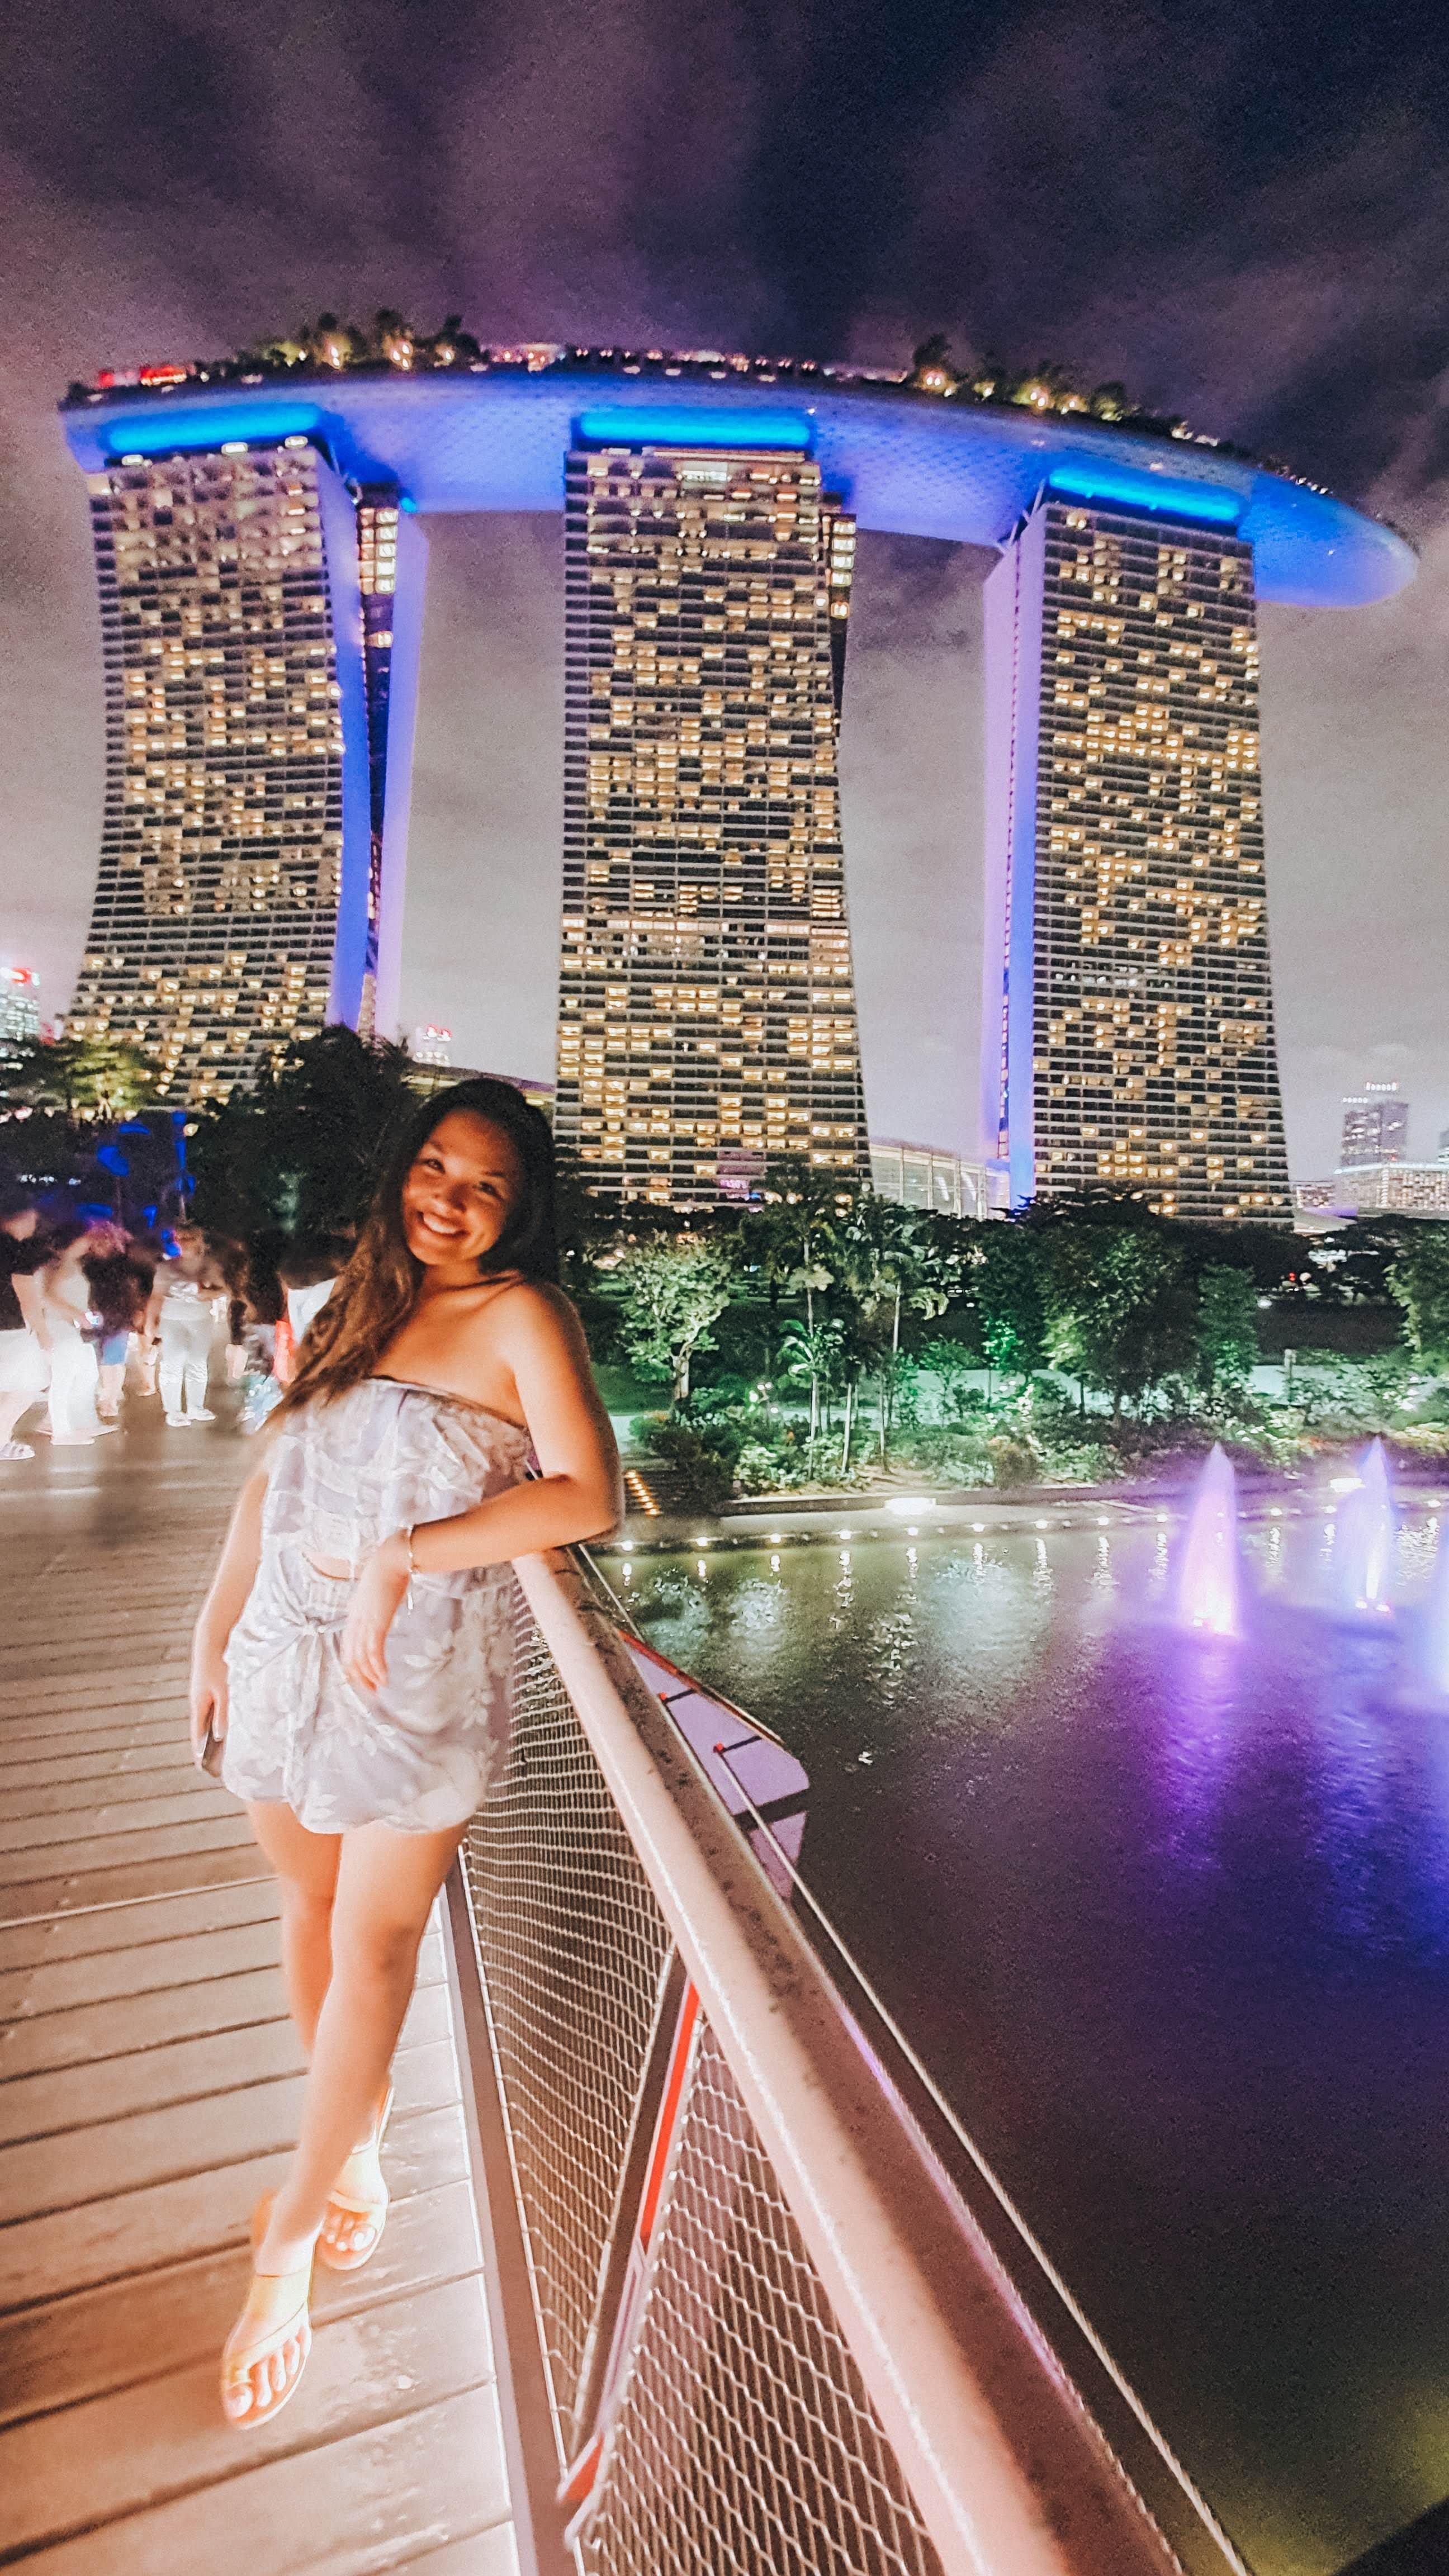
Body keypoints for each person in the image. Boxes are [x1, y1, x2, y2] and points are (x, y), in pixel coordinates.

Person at [187, 1078, 621, 2428]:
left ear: (518, 1209)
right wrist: (208, 1638)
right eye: (436, 1166)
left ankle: (284, 2253)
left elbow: (588, 1495)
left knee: (376, 1953)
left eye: (485, 1184)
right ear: (401, 1174)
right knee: (307, 1908)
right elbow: (270, 1485)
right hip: (280, 1656)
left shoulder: (518, 1316)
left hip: (417, 1679)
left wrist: (404, 1555)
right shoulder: (345, 1306)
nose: (451, 1197)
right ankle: (356, 2154)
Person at [144, 1223, 227, 1426]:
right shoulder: (167, 1267)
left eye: (191, 1237)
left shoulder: (211, 1265)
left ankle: (196, 1406)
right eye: (182, 1238)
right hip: (173, 1319)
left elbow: (226, 1290)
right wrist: (150, 1322)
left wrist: (209, 1293)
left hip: (200, 1319)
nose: (186, 1242)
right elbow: (156, 1297)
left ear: (200, 1239)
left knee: (198, 1362)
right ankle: (173, 1410)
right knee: (173, 1363)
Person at [41, 1221, 113, 1446]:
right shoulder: (59, 1266)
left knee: (88, 1375)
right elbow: (48, 1297)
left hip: (71, 1326)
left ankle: (83, 1421)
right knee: (65, 1378)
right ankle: (61, 1431)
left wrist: (85, 1314)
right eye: (87, 1238)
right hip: (60, 1327)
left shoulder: (69, 1264)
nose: (91, 1243)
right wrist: (78, 1315)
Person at [0, 1190, 50, 1461]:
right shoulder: (14, 1250)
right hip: (9, 1329)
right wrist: (43, 1333)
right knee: (26, 1387)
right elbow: (26, 1294)